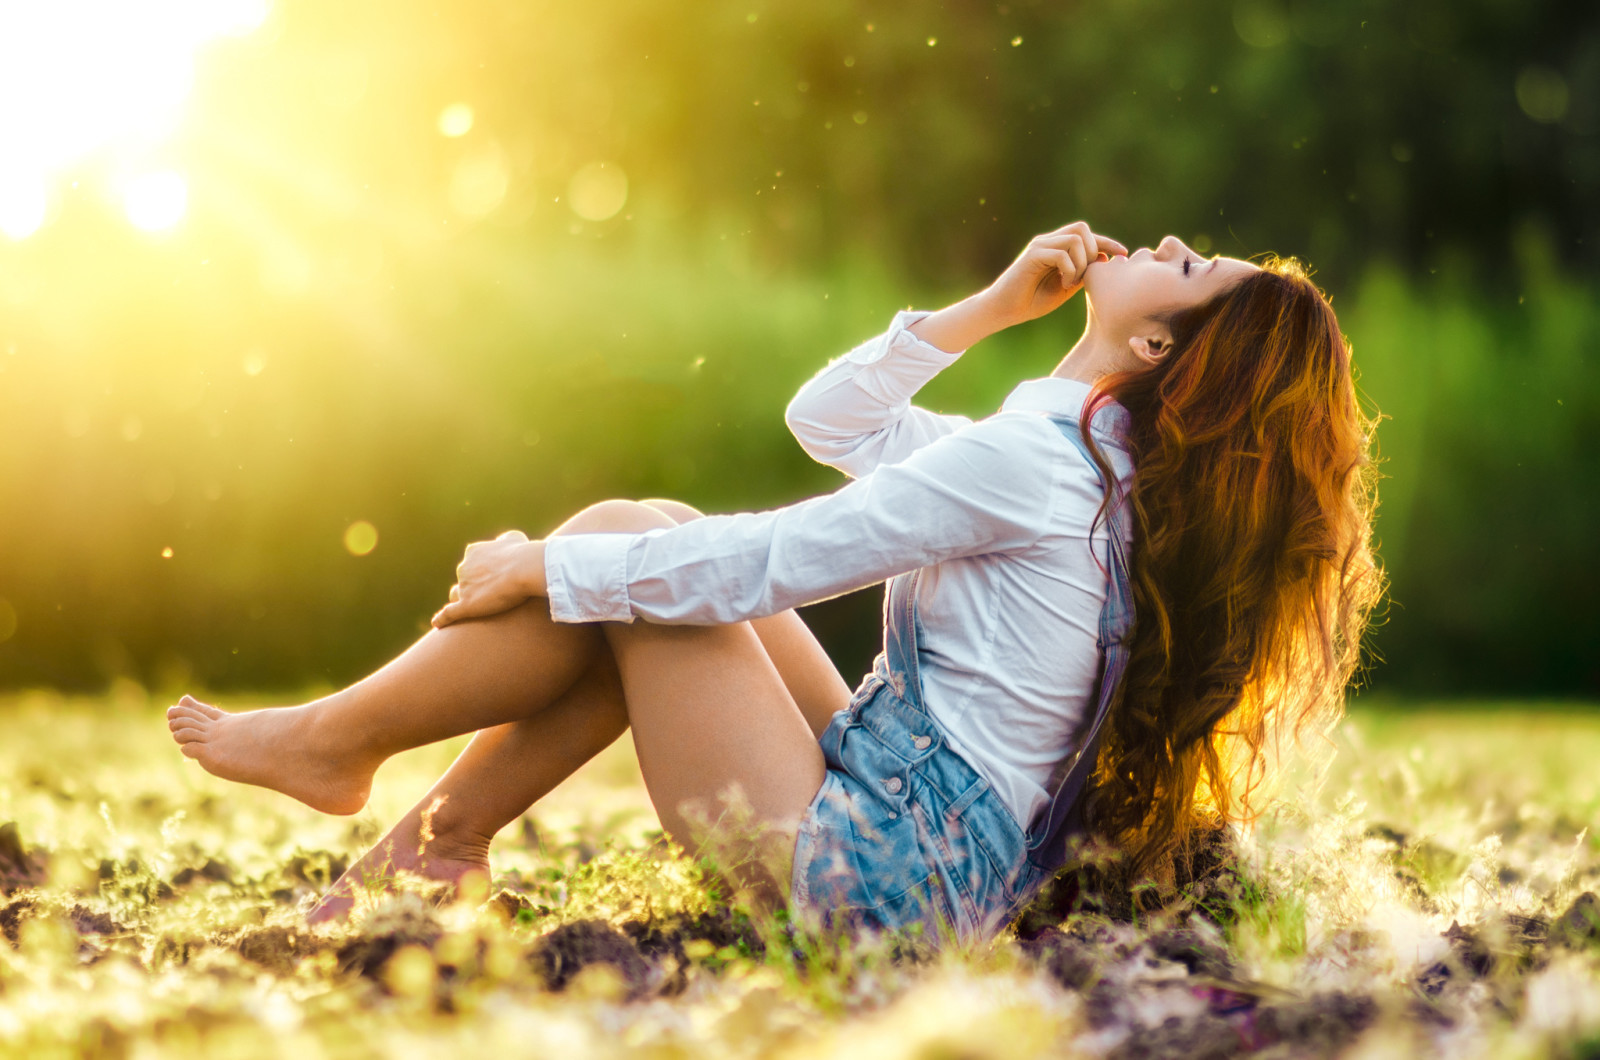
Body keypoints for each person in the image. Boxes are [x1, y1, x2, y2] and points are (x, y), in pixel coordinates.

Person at [165, 221, 1381, 941]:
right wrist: (992, 307)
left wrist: (547, 560)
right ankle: (428, 829)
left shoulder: (1036, 467)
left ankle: (354, 759)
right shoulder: (1074, 469)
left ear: (1158, 346)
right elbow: (831, 420)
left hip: (874, 886)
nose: (1164, 242)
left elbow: (780, 555)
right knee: (646, 556)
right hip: (911, 830)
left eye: (1188, 268)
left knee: (632, 549)